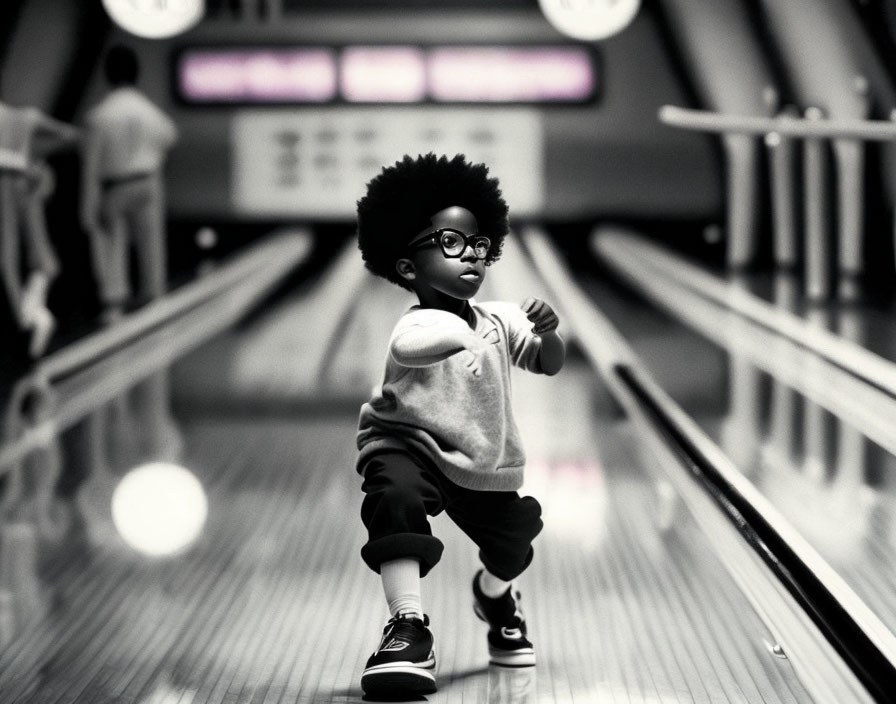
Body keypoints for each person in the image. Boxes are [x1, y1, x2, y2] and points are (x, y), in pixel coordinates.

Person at [354, 153, 565, 697]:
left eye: (477, 246)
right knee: (394, 499)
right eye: (450, 243)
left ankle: (494, 595)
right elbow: (410, 345)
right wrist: (463, 338)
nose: (470, 256)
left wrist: (548, 334)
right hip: (407, 442)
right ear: (407, 267)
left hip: (480, 459)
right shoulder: (420, 320)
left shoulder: (500, 319)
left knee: (515, 540)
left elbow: (547, 362)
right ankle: (406, 626)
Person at [80, 44, 178, 319]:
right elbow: (170, 137)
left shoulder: (100, 115)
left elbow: (91, 167)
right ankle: (153, 292)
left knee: (113, 243)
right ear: (136, 74)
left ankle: (114, 298)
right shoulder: (149, 111)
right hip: (148, 180)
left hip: (115, 185)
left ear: (107, 74)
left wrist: (87, 205)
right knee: (151, 241)